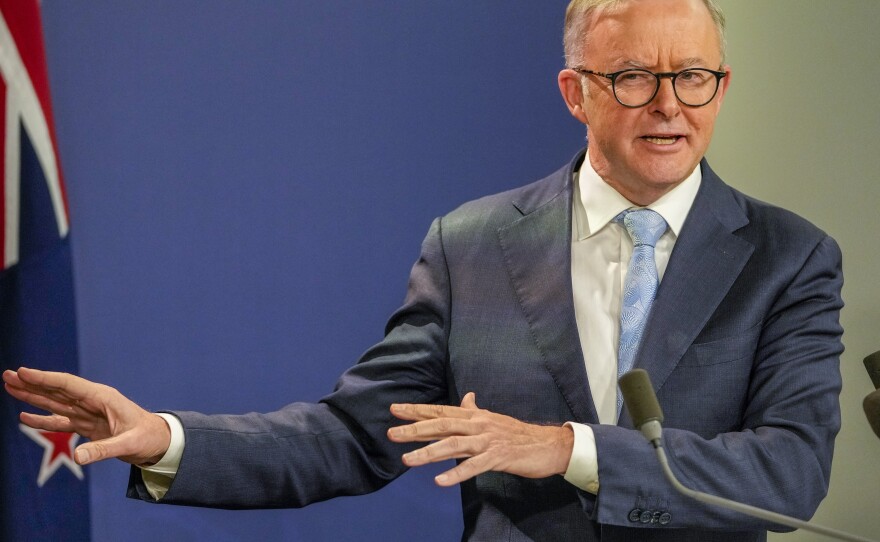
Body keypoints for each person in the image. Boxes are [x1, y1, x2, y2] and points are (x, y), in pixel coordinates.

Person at [3, 0, 844, 540]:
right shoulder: (473, 244)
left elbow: (790, 472)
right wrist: (169, 439)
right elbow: (355, 436)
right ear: (575, 92)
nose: (669, 104)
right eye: (632, 77)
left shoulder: (789, 257)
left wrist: (567, 448)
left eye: (692, 77)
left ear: (720, 86)